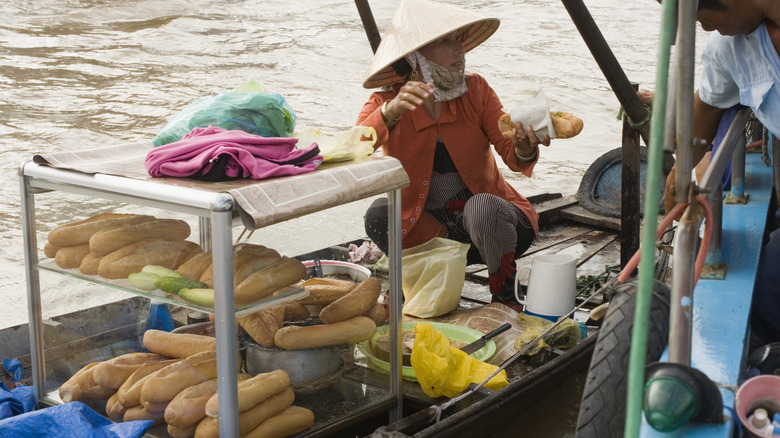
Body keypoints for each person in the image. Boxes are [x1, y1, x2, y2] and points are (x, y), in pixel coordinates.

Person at [355, 0, 550, 311]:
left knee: (482, 205)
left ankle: (504, 292)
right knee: (379, 214)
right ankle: (416, 277)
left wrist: (526, 146)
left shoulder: (477, 91)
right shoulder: (386, 101)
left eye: (459, 38)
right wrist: (391, 112)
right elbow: (355, 147)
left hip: (493, 227)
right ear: (414, 54)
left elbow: (513, 153)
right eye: (446, 41)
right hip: (437, 232)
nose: (459, 49)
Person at [662, 0, 780, 214]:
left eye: (702, 15)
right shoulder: (728, 48)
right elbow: (709, 106)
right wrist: (679, 171)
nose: (706, 27)